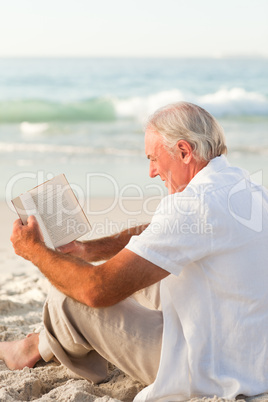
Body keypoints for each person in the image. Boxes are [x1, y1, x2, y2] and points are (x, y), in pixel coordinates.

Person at [2, 101, 268, 401]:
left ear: (184, 151)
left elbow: (96, 290)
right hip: (254, 360)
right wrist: (87, 250)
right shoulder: (246, 187)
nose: (152, 171)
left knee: (68, 297)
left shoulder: (193, 206)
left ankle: (31, 348)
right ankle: (38, 345)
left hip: (209, 372)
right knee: (134, 268)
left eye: (153, 158)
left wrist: (34, 251)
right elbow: (159, 231)